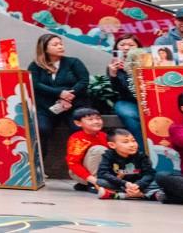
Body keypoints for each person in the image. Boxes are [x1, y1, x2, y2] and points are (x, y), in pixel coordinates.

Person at [29, 34, 90, 167]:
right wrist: (59, 93)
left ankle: (82, 167)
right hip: (46, 106)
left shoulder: (73, 62)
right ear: (44, 48)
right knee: (41, 128)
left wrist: (69, 96)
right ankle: (37, 168)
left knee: (78, 128)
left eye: (61, 43)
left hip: (73, 105)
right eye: (55, 44)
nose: (60, 46)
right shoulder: (36, 65)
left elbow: (83, 81)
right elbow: (35, 84)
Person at [96, 128, 158, 200]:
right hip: (120, 184)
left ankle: (123, 195)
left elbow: (149, 173)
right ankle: (139, 194)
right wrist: (125, 183)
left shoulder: (141, 156)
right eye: (126, 142)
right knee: (101, 182)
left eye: (133, 141)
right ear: (112, 145)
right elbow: (102, 173)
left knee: (158, 181)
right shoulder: (108, 155)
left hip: (139, 184)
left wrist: (138, 185)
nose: (132, 145)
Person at [106, 35, 144, 143]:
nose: (126, 48)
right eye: (122, 45)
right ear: (116, 48)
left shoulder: (147, 61)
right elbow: (117, 89)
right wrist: (113, 75)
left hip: (149, 99)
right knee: (129, 114)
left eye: (131, 45)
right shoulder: (113, 65)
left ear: (139, 48)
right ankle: (141, 150)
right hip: (127, 100)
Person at [67, 108, 109, 192]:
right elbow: (73, 164)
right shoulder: (77, 138)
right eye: (90, 119)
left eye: (98, 118)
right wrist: (94, 180)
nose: (96, 121)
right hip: (80, 173)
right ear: (78, 123)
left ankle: (88, 184)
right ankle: (93, 184)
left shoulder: (104, 135)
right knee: (98, 150)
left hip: (103, 172)